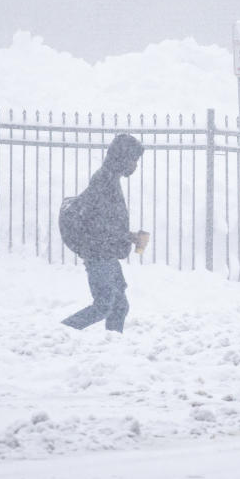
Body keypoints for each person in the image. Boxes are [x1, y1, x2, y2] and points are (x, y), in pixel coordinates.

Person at [61, 134, 145, 333]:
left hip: (105, 252)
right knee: (104, 305)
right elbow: (99, 223)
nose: (135, 166)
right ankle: (61, 333)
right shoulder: (104, 180)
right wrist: (128, 236)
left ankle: (112, 347)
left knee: (119, 306)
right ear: (123, 157)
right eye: (134, 160)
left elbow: (107, 221)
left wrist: (128, 236)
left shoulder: (110, 178)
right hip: (99, 252)